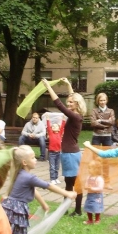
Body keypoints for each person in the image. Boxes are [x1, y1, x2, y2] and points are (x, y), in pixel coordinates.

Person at [1, 145, 77, 234]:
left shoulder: (21, 174)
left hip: (10, 208)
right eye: (32, 158)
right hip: (14, 210)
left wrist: (43, 204)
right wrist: (67, 193)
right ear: (24, 162)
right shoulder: (28, 177)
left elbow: (33, 190)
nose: (36, 159)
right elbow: (48, 186)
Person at [42, 77, 86, 217]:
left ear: (77, 104)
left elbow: (59, 104)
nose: (68, 102)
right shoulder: (77, 115)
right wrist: (68, 85)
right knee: (71, 183)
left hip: (70, 154)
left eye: (71, 102)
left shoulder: (75, 116)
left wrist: (48, 86)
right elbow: (73, 99)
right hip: (71, 153)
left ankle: (74, 210)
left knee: (71, 184)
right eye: (68, 101)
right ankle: (71, 209)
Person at [45, 114, 66, 185]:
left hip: (58, 153)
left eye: (56, 126)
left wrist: (63, 120)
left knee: (57, 166)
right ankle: (52, 179)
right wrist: (48, 119)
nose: (54, 127)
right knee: (52, 166)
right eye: (53, 126)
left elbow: (63, 126)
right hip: (52, 153)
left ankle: (56, 178)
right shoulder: (51, 133)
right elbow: (48, 127)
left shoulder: (60, 134)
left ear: (59, 128)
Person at [82, 160, 104, 225]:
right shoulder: (89, 177)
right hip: (90, 195)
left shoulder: (99, 179)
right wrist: (86, 187)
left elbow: (100, 188)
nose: (88, 169)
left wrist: (92, 188)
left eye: (90, 168)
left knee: (97, 207)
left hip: (97, 195)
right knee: (88, 206)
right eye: (88, 168)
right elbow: (86, 184)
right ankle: (90, 220)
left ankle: (97, 219)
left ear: (96, 169)